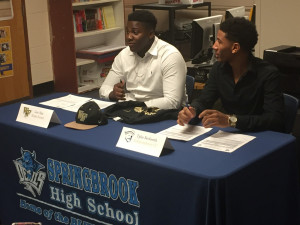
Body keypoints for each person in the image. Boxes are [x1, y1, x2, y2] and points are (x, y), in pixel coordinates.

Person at [177, 17, 284, 132]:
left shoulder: (268, 74)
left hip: (261, 136)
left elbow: (273, 119)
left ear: (235, 48)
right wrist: (193, 110)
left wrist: (231, 120)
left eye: (219, 41)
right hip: (231, 135)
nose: (214, 46)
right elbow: (204, 100)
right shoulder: (218, 69)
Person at [99, 10, 187, 110]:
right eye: (127, 32)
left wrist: (137, 107)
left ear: (150, 34)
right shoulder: (124, 55)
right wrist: (112, 94)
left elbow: (172, 102)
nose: (128, 37)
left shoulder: (170, 56)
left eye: (135, 32)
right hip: (132, 110)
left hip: (163, 113)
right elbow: (104, 89)